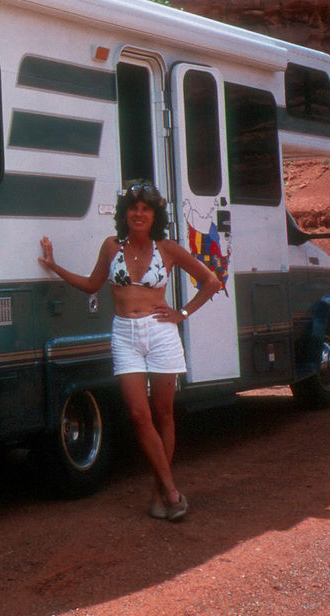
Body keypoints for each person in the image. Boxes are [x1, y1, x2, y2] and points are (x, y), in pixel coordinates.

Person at [37, 180, 221, 521]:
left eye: (146, 209)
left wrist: (181, 314)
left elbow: (211, 280)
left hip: (161, 333)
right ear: (125, 214)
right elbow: (93, 284)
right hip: (124, 334)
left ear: (155, 216)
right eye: (133, 208)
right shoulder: (112, 247)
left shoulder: (167, 248)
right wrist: (55, 266)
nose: (139, 214)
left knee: (164, 414)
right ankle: (171, 491)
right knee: (139, 415)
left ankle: (158, 492)